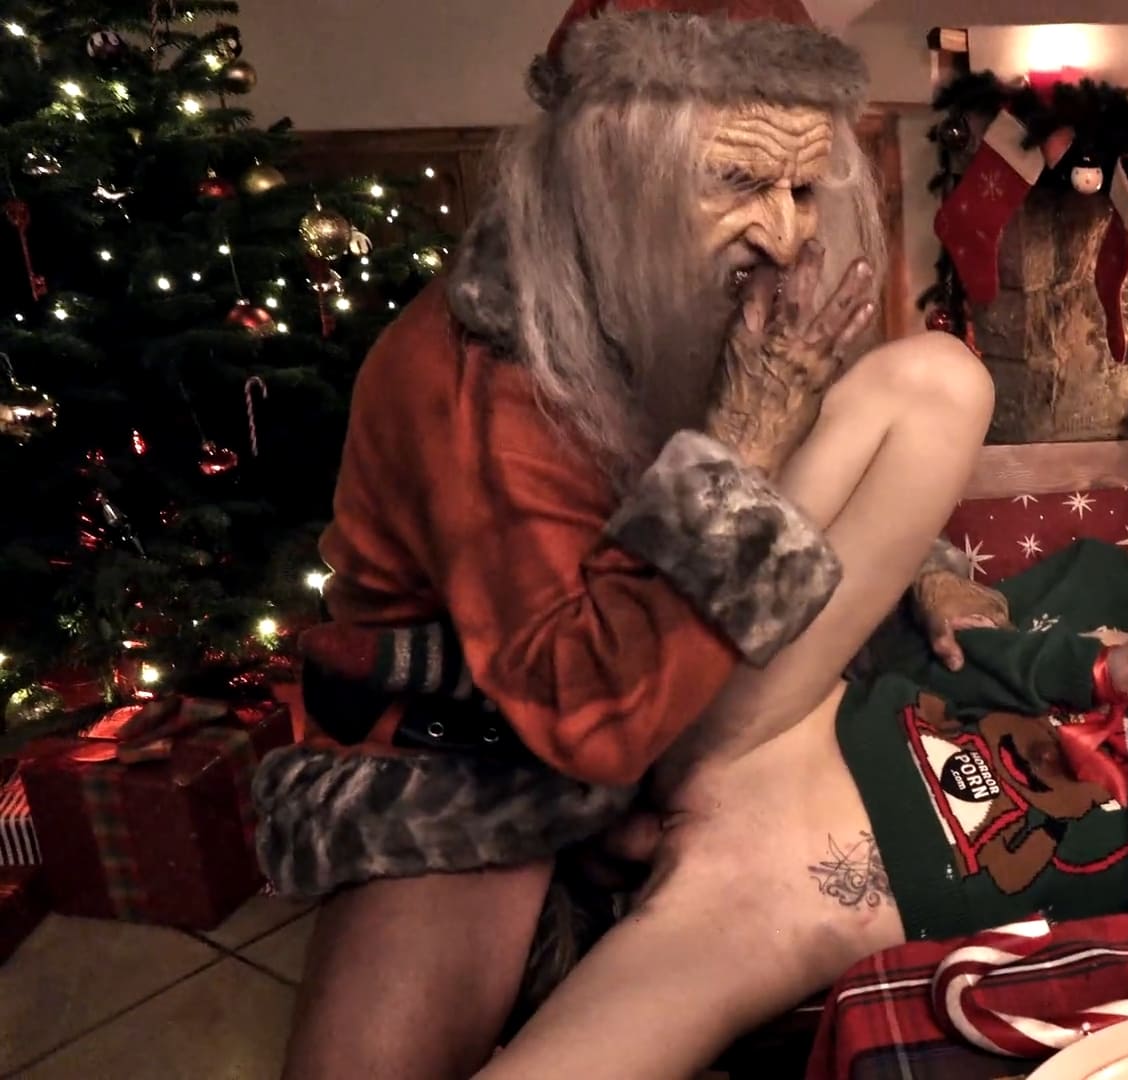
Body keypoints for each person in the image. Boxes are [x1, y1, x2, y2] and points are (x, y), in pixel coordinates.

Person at [249, 2, 1008, 1077]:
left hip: (680, 702)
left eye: (801, 189)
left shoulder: (694, 288)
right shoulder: (471, 376)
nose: (787, 234)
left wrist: (921, 569)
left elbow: (819, 462)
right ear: (611, 176)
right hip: (475, 735)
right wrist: (739, 447)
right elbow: (583, 713)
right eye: (738, 181)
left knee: (935, 376)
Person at [358, 423, 1128, 1079]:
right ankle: (493, 675)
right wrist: (1099, 667)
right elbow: (944, 657)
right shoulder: (1101, 582)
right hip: (794, 738)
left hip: (817, 897)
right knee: (931, 386)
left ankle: (579, 819)